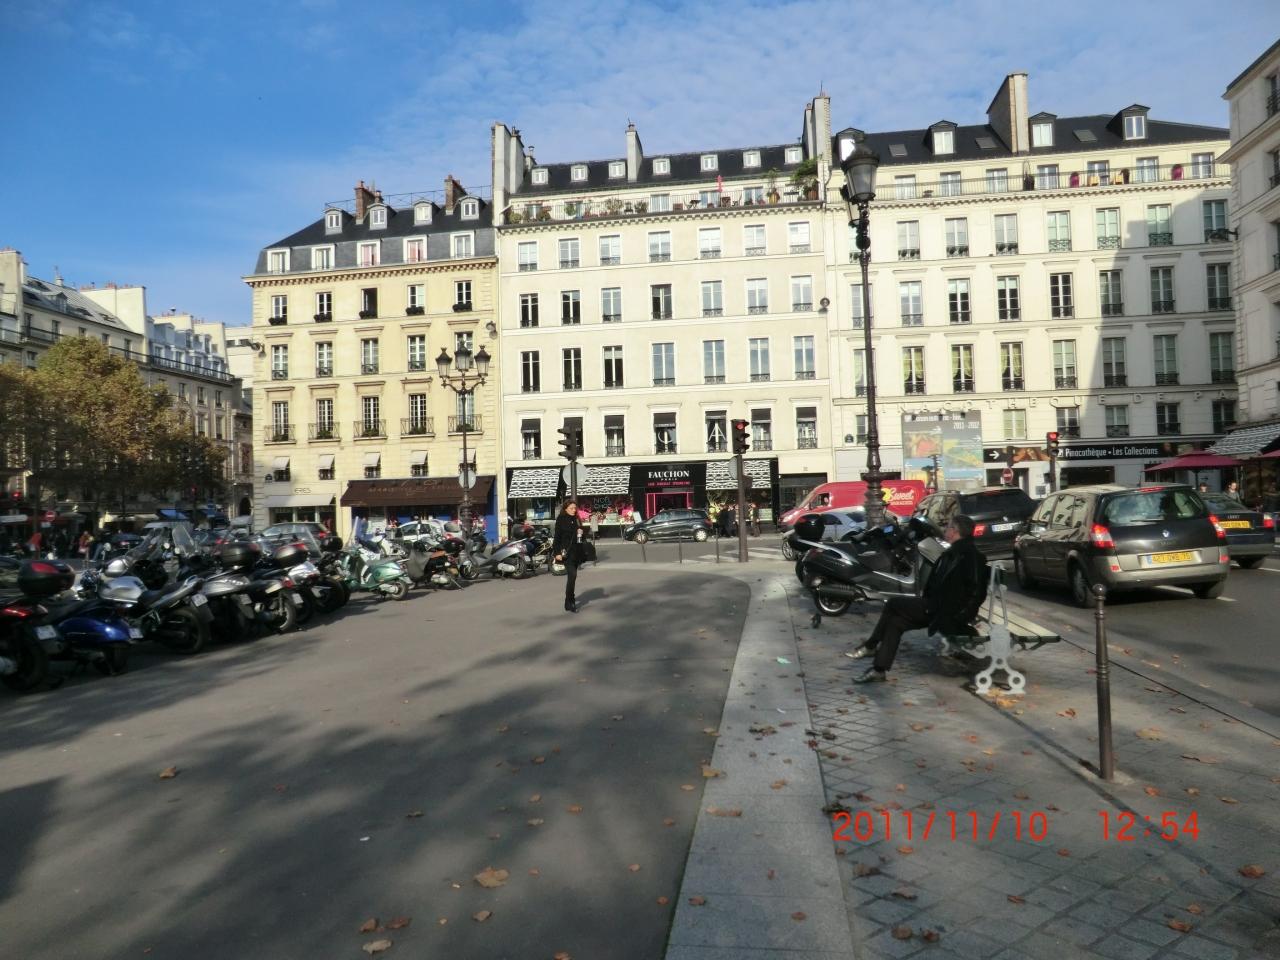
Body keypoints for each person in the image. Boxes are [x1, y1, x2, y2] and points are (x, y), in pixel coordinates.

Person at [849, 514, 989, 683]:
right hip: (935, 607)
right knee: (895, 623)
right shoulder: (952, 552)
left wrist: (960, 617)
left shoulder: (970, 556)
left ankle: (871, 645)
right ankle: (879, 670)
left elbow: (977, 592)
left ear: (955, 531)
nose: (945, 529)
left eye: (948, 526)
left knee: (894, 603)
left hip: (945, 612)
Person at [552, 500, 584, 613]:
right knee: (573, 575)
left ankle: (567, 601)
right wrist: (557, 553)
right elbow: (557, 537)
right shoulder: (561, 520)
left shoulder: (577, 519)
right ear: (565, 509)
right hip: (566, 552)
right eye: (571, 508)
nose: (574, 510)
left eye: (575, 508)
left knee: (572, 577)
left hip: (577, 552)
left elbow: (581, 537)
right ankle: (571, 600)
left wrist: (581, 533)